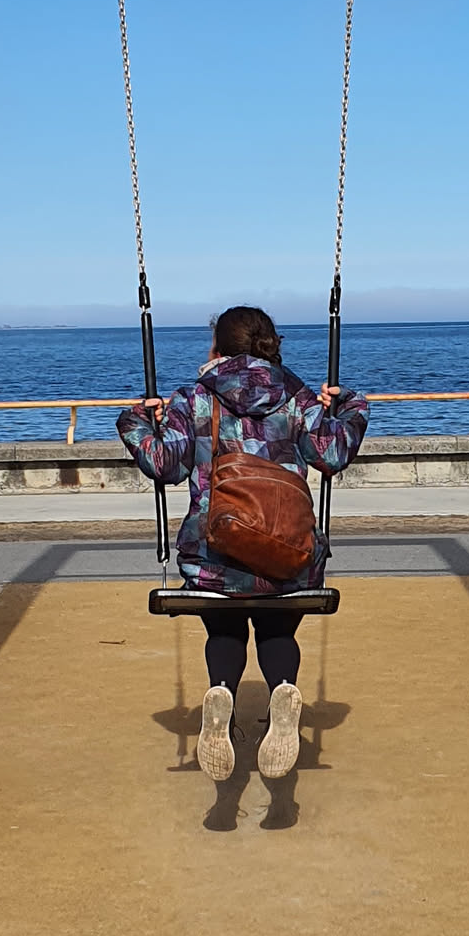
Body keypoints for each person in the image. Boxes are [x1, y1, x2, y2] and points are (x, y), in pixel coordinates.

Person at [118, 305, 369, 782]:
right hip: (287, 557)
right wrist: (350, 405)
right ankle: (283, 692)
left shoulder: (193, 398)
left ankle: (221, 693)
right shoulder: (296, 396)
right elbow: (332, 454)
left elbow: (165, 466)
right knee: (278, 631)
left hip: (216, 560)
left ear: (218, 347)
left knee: (224, 631)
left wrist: (137, 421)